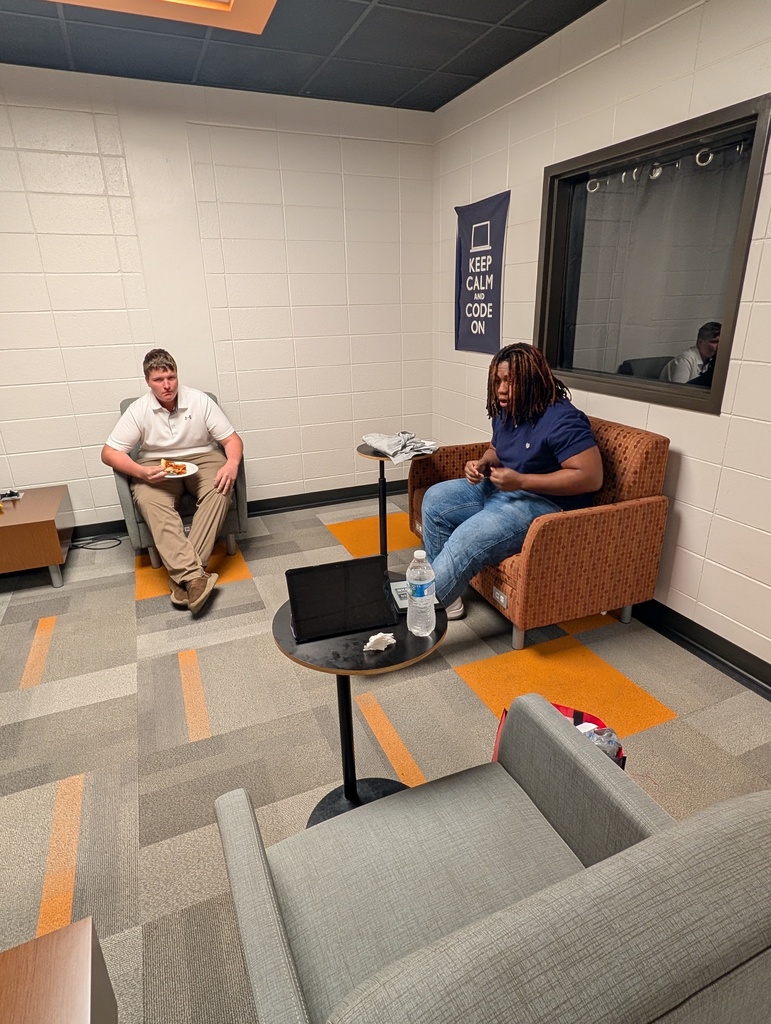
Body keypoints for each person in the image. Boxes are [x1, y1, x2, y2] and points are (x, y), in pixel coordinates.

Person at [421, 343, 603, 620]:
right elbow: (498, 448)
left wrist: (521, 480)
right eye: (498, 381)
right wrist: (482, 463)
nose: (501, 389)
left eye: (511, 382)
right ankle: (447, 596)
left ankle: (417, 614)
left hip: (545, 505)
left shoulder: (563, 419)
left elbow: (590, 477)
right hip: (502, 489)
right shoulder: (508, 409)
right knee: (435, 499)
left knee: (467, 538)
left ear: (532, 381)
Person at [101, 349, 243, 614]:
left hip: (203, 456)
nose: (167, 385)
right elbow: (108, 453)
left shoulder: (199, 400)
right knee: (147, 498)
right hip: (155, 463)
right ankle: (195, 576)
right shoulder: (139, 410)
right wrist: (140, 472)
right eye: (159, 379)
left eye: (171, 377)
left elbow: (231, 440)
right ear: (148, 381)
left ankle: (186, 577)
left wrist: (231, 464)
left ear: (177, 376)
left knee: (220, 488)